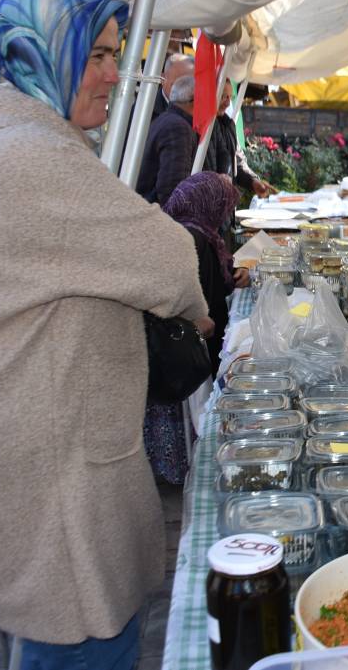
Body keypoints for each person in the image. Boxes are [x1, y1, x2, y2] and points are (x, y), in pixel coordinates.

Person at [0, 0, 209, 669]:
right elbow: (170, 259)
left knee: (56, 644)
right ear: (34, 54)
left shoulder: (2, 144)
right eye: (96, 55)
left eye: (116, 55)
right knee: (82, 643)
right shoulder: (26, 156)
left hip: (18, 455)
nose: (115, 73)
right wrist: (194, 310)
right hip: (41, 476)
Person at [144, 171, 246, 484]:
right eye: (223, 206)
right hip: (189, 343)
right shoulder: (195, 238)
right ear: (209, 205)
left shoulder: (184, 229)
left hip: (186, 339)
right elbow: (198, 291)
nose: (225, 214)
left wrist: (232, 274)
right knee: (189, 413)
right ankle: (182, 470)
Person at [204, 79, 272, 198]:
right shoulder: (201, 127)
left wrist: (253, 181)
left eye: (230, 97)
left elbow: (238, 162)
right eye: (224, 96)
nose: (228, 103)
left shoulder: (229, 125)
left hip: (225, 205)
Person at [137, 74, 196, 205]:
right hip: (157, 217)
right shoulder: (178, 127)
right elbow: (172, 190)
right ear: (194, 101)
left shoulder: (165, 119)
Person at [151, 53, 193, 120]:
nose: (184, 90)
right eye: (177, 85)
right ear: (163, 79)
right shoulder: (144, 110)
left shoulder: (201, 110)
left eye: (189, 85)